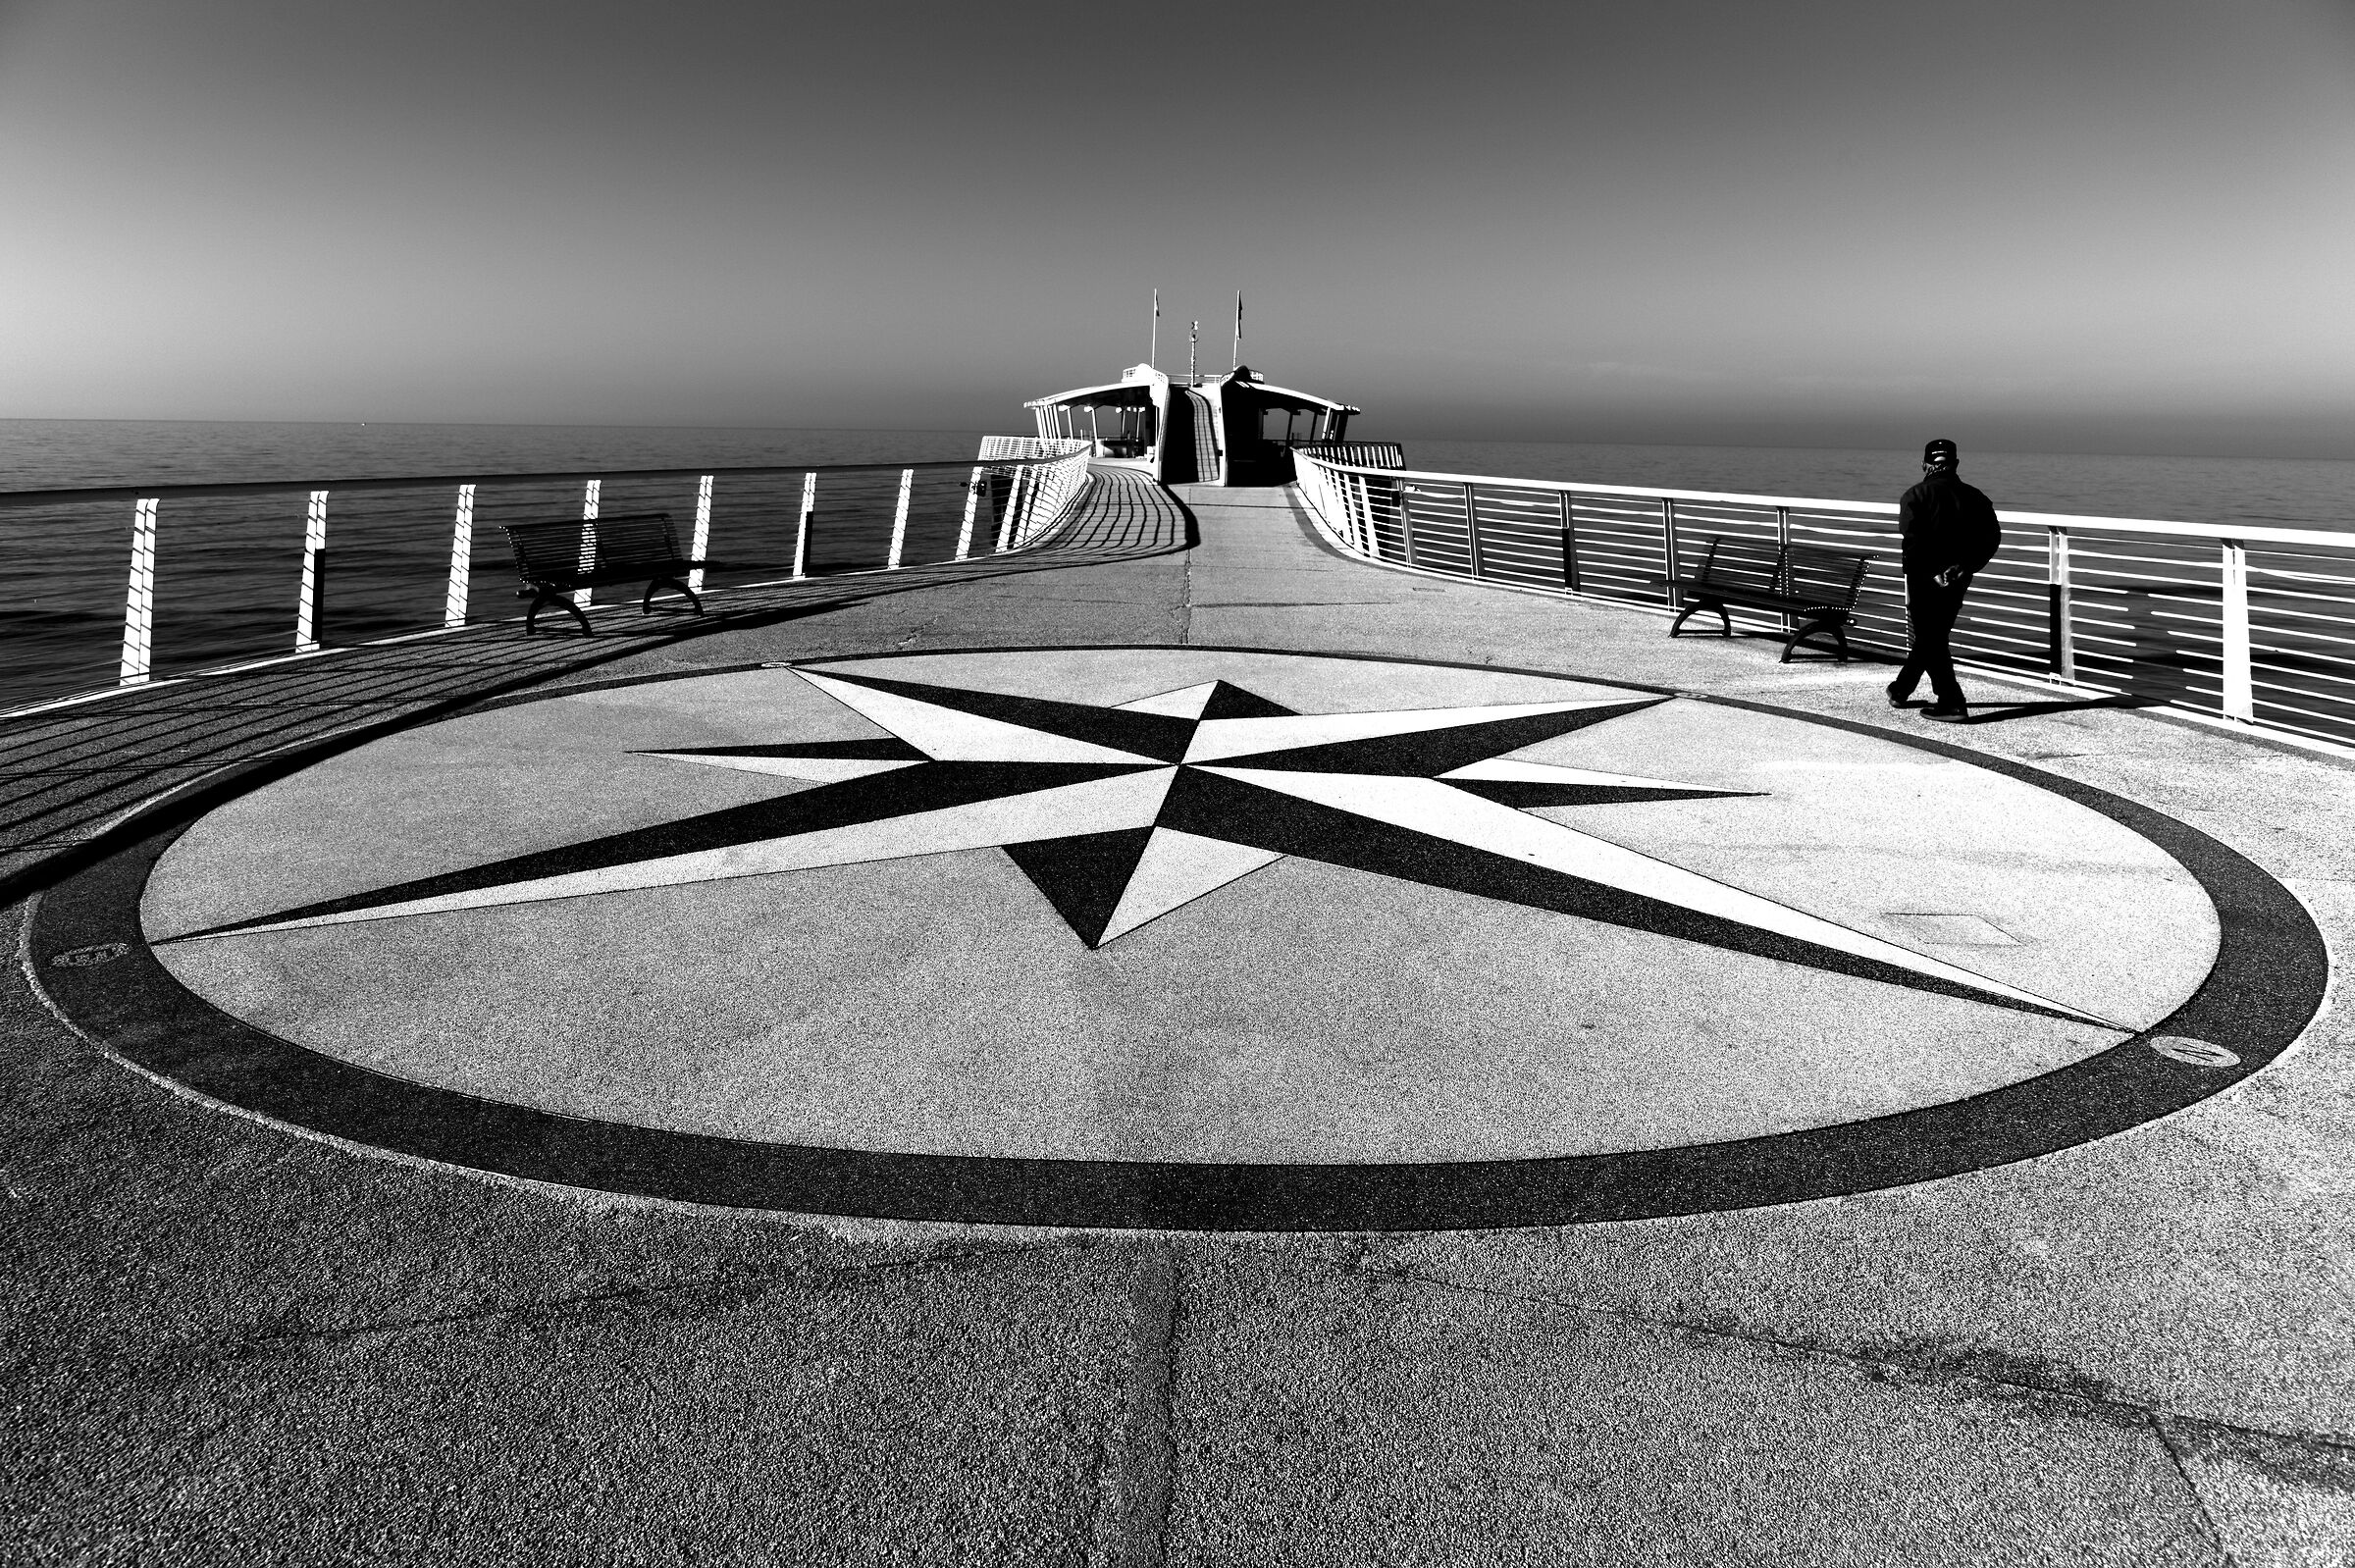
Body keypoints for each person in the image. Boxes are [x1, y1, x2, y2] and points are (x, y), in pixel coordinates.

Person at [1887, 438, 2000, 721]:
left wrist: (1925, 576)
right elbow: (1992, 538)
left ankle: (1952, 701)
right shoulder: (1976, 497)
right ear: (1956, 463)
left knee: (1930, 638)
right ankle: (1901, 690)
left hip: (1924, 579)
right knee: (1933, 637)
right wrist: (1963, 567)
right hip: (1958, 578)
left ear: (1924, 464)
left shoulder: (1915, 496)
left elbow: (1912, 544)